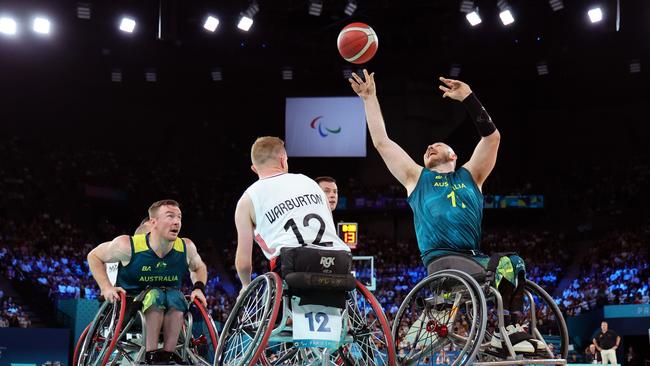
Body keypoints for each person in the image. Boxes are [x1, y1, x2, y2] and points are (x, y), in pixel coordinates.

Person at [349, 69, 541, 353]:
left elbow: (492, 138)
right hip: (442, 260)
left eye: (436, 144)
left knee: (515, 262)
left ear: (453, 155)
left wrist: (469, 99)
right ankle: (506, 331)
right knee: (505, 264)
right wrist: (369, 98)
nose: (429, 146)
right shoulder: (416, 177)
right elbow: (382, 142)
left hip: (474, 259)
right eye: (427, 147)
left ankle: (510, 328)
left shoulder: (471, 175)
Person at [87, 199, 208, 364]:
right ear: (153, 222)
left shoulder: (186, 247)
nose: (176, 221)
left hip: (171, 304)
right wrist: (106, 287)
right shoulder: (127, 245)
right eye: (170, 216)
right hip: (131, 306)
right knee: (155, 294)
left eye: (179, 217)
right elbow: (93, 256)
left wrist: (199, 288)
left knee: (177, 297)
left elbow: (199, 267)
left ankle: (167, 354)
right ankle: (151, 354)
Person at [234, 137, 350, 295]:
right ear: (283, 161)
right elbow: (330, 226)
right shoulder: (311, 183)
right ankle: (348, 320)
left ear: (254, 168)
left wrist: (245, 285)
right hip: (339, 261)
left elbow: (243, 264)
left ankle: (286, 319)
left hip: (293, 266)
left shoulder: (247, 200)